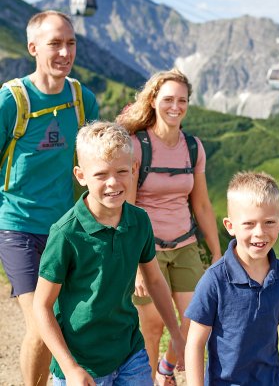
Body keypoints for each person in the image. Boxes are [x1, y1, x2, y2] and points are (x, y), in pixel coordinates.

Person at [32, 121, 185, 385]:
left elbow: (155, 281)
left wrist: (177, 334)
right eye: (101, 174)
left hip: (129, 352)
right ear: (81, 176)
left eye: (122, 171)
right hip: (81, 362)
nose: (113, 182)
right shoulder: (66, 233)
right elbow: (41, 306)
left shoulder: (139, 221)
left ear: (134, 169)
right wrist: (70, 368)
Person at [0, 10, 98, 386]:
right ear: (33, 47)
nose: (64, 52)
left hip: (63, 227)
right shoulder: (12, 100)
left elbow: (95, 160)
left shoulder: (82, 99)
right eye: (54, 43)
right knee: (42, 324)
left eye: (70, 43)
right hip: (17, 225)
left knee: (64, 321)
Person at [116, 68, 221, 385]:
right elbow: (128, 208)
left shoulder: (193, 147)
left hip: (185, 246)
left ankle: (167, 369)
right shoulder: (136, 146)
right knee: (152, 327)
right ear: (153, 101)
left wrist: (217, 252)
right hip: (147, 252)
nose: (175, 106)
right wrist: (134, 266)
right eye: (168, 100)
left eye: (182, 100)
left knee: (195, 322)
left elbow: (201, 204)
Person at [185, 171, 279, 386]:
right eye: (249, 224)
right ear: (230, 226)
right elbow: (195, 342)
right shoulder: (214, 280)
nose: (259, 233)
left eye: (269, 222)